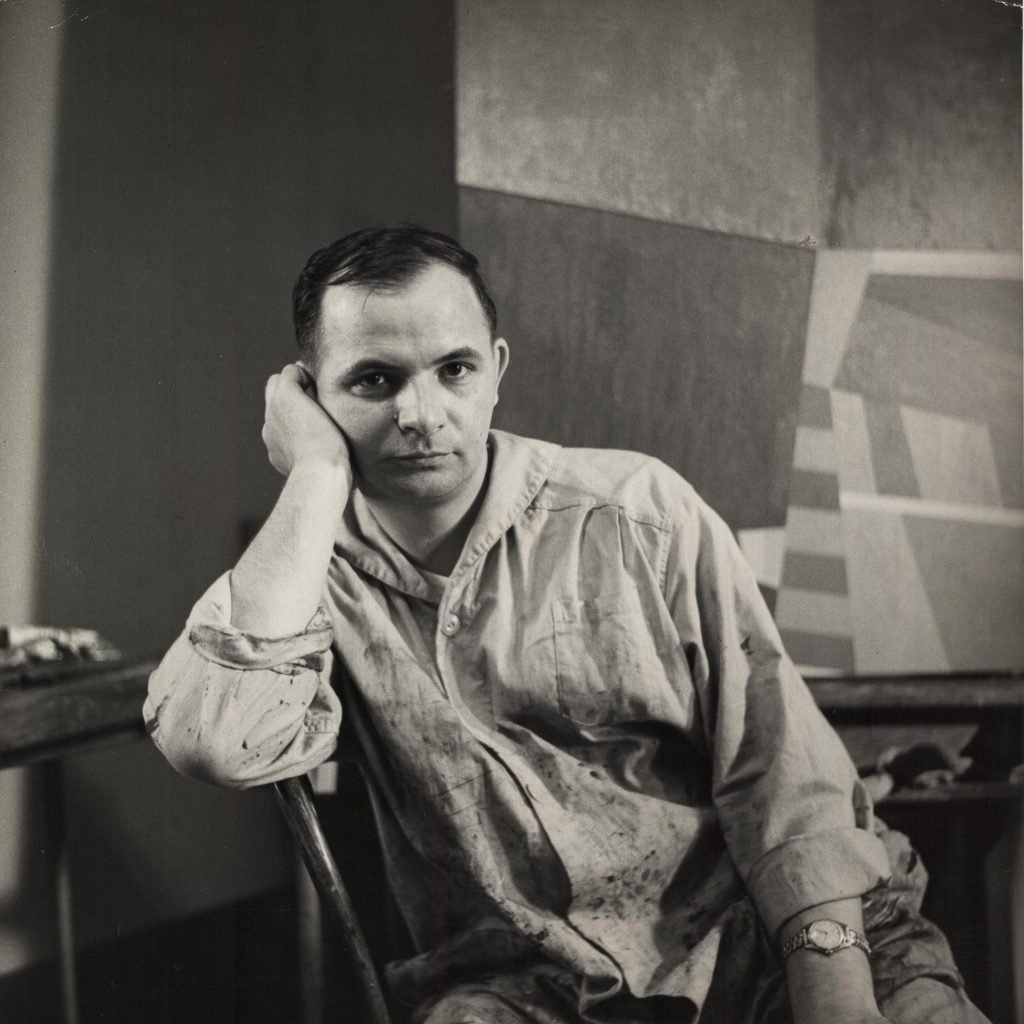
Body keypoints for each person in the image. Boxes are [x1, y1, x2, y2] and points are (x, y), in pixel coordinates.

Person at [144, 226, 987, 1024]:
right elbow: (214, 740)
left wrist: (833, 993)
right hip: (524, 988)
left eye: (455, 370)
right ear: (306, 395)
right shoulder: (302, 581)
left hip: (779, 939)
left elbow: (781, 774)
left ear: (497, 370)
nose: (422, 413)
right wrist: (319, 478)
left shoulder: (636, 514)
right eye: (374, 381)